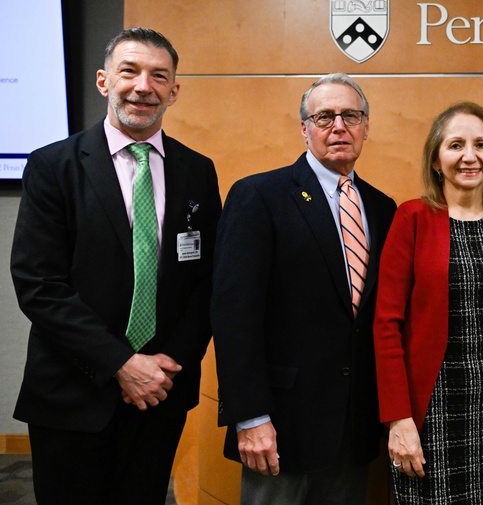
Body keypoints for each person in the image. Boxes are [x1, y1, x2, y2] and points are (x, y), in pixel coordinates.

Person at [9, 27, 221, 505]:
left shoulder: (197, 170)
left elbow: (206, 282)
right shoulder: (52, 166)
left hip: (159, 395)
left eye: (159, 76)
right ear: (104, 81)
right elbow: (39, 285)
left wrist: (162, 370)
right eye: (130, 71)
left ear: (174, 90)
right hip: (71, 391)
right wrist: (121, 363)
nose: (143, 86)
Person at [211, 73, 397, 505]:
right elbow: (233, 315)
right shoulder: (259, 195)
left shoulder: (382, 208)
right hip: (279, 427)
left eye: (351, 115)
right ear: (304, 128)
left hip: (352, 427)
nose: (338, 126)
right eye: (324, 116)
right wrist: (250, 416)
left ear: (366, 126)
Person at [374, 102, 483, 505]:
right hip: (431, 410)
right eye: (456, 145)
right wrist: (399, 419)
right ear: (436, 158)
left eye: (481, 145)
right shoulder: (412, 218)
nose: (470, 156)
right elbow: (386, 324)